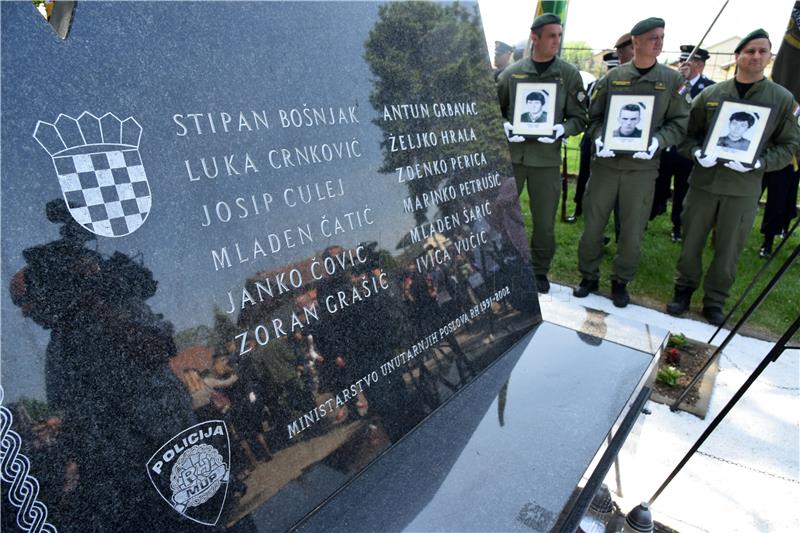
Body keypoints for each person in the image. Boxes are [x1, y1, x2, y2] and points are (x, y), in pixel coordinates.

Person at [666, 29, 800, 325]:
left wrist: (760, 163)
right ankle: (683, 291)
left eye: (762, 51)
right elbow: (686, 135)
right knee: (691, 242)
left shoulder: (781, 99)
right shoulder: (711, 95)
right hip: (704, 184)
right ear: (737, 56)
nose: (756, 56)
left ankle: (715, 300)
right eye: (750, 51)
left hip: (743, 188)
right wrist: (697, 152)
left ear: (769, 56)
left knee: (729, 248)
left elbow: (790, 144)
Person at [574, 17, 689, 307]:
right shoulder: (613, 78)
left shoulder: (671, 80)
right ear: (635, 42)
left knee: (632, 230)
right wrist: (600, 138)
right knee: (593, 227)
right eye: (652, 37)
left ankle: (620, 281)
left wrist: (656, 142)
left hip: (641, 169)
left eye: (662, 37)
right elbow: (595, 118)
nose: (659, 42)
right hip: (606, 167)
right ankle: (588, 276)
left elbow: (680, 123)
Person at [497, 12, 587, 294]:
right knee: (500, 214)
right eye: (551, 35)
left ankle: (539, 271)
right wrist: (506, 126)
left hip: (546, 161)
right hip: (513, 159)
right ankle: (504, 266)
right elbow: (492, 113)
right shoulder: (511, 74)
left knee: (544, 222)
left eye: (559, 36)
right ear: (534, 37)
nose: (557, 41)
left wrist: (562, 128)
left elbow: (580, 117)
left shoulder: (568, 75)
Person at [652, 45, 715, 241]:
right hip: (667, 145)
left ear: (699, 65)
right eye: (681, 61)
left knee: (682, 189)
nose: (682, 65)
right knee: (657, 183)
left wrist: (685, 85)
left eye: (687, 62)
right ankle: (650, 213)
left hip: (687, 148)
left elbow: (692, 110)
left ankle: (677, 226)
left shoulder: (709, 88)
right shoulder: (672, 83)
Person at [568, 50, 619, 224]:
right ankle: (578, 208)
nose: (612, 72)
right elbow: (585, 109)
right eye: (610, 68)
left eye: (616, 68)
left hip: (617, 140)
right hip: (593, 136)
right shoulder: (595, 85)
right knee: (584, 175)